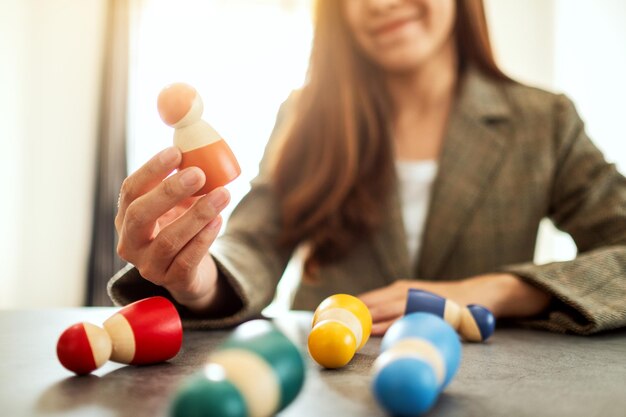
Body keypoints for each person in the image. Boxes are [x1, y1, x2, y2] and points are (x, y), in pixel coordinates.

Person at [109, 0, 626, 335]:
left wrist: (496, 290)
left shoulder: (544, 121)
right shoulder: (306, 115)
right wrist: (197, 276)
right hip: (331, 383)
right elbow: (254, 243)